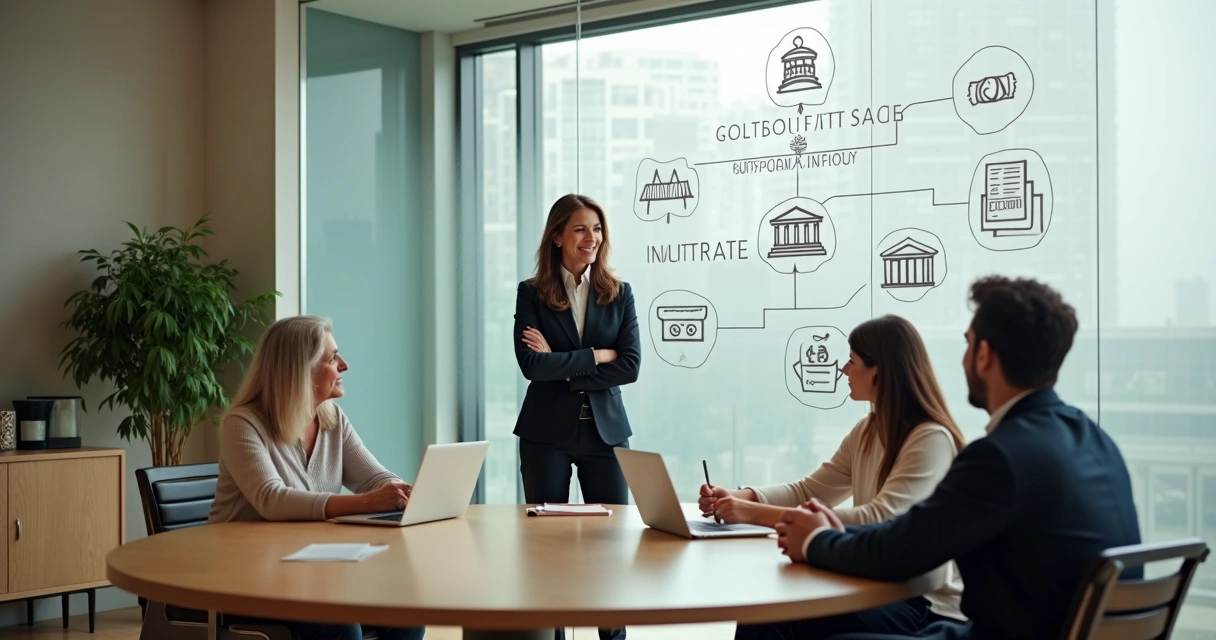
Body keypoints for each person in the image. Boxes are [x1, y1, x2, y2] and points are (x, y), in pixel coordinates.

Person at [774, 276, 1142, 640]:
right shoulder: (1095, 440)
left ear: (984, 355)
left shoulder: (1001, 458)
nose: (962, 359)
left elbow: (902, 550)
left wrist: (816, 540)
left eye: (967, 344)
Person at [720, 315, 968, 639]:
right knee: (764, 607)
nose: (843, 370)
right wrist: (742, 497)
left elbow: (880, 518)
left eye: (851, 361)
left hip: (925, 606)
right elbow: (810, 490)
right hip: (876, 584)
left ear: (878, 373)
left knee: (775, 612)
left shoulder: (930, 439)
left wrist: (756, 514)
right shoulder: (866, 430)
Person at [208, 315, 425, 640]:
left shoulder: (331, 419)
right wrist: (366, 503)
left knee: (407, 614)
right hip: (247, 579)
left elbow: (374, 478)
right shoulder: (243, 424)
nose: (345, 365)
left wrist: (408, 492)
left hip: (310, 573)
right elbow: (271, 499)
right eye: (332, 358)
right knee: (340, 627)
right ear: (301, 371)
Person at [513, 193, 640, 640]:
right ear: (557, 236)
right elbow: (531, 366)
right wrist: (593, 356)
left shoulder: (619, 293)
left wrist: (564, 365)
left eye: (598, 229)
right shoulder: (531, 293)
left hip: (606, 437)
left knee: (613, 549)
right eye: (581, 229)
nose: (592, 238)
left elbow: (630, 367)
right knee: (548, 551)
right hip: (545, 435)